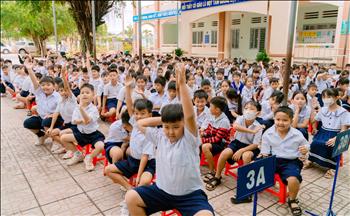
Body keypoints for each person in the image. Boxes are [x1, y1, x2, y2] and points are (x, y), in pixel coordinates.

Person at [125, 64, 214, 216]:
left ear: (184, 125)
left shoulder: (189, 138)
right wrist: (166, 120)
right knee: (131, 197)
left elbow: (190, 116)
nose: (171, 132)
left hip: (190, 195)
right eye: (167, 127)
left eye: (176, 127)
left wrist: (182, 84)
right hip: (162, 191)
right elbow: (140, 123)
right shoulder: (159, 136)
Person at [104, 74, 155, 191]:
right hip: (133, 160)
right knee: (108, 170)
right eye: (137, 113)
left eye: (143, 114)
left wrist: (139, 175)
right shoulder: (136, 123)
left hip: (147, 163)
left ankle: (137, 195)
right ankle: (129, 189)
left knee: (144, 181)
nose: (138, 116)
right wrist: (127, 88)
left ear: (150, 115)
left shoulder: (150, 132)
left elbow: (145, 157)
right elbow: (129, 105)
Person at [260, 106, 309, 216]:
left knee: (293, 179)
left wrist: (306, 149)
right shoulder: (268, 133)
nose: (281, 123)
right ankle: (251, 191)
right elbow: (265, 152)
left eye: (285, 120)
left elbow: (306, 144)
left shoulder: (297, 134)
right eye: (278, 119)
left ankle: (292, 200)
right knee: (253, 167)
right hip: (272, 158)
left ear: (291, 120)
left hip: (291, 161)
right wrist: (263, 162)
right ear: (274, 119)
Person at [206, 101, 263, 194]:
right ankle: (217, 176)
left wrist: (241, 150)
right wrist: (251, 131)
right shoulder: (240, 118)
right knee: (224, 153)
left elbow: (255, 144)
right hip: (236, 143)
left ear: (258, 113)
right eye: (246, 108)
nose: (248, 111)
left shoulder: (258, 126)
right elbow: (236, 127)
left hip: (250, 147)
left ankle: (245, 182)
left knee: (246, 156)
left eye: (252, 109)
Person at [60, 83, 105, 171]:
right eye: (82, 92)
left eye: (87, 92)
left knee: (101, 146)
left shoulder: (94, 109)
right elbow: (74, 121)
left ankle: (89, 158)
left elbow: (87, 120)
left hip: (93, 134)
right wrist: (82, 120)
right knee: (63, 138)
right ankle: (78, 154)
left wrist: (81, 111)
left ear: (93, 95)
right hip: (81, 133)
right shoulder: (77, 107)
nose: (84, 94)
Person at [306, 88, 350, 178]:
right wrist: (313, 111)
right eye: (324, 97)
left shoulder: (343, 112)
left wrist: (336, 139)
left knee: (329, 145)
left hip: (336, 134)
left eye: (329, 96)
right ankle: (311, 160)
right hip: (323, 132)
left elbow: (344, 129)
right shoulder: (323, 110)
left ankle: (332, 167)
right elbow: (314, 120)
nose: (326, 99)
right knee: (315, 143)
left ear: (337, 97)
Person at [23, 63, 62, 145]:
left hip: (55, 120)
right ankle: (41, 136)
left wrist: (52, 115)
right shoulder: (39, 93)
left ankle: (56, 142)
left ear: (54, 86)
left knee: (46, 122)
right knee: (27, 123)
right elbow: (34, 82)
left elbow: (62, 111)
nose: (45, 87)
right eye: (43, 85)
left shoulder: (57, 96)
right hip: (42, 117)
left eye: (48, 85)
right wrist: (30, 70)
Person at [201, 96, 231, 183]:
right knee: (194, 138)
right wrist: (203, 133)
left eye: (211, 107)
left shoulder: (224, 121)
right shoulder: (212, 115)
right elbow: (209, 129)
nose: (209, 108)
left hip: (221, 143)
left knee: (205, 146)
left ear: (217, 110)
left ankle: (212, 170)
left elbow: (217, 139)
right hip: (213, 138)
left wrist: (203, 140)